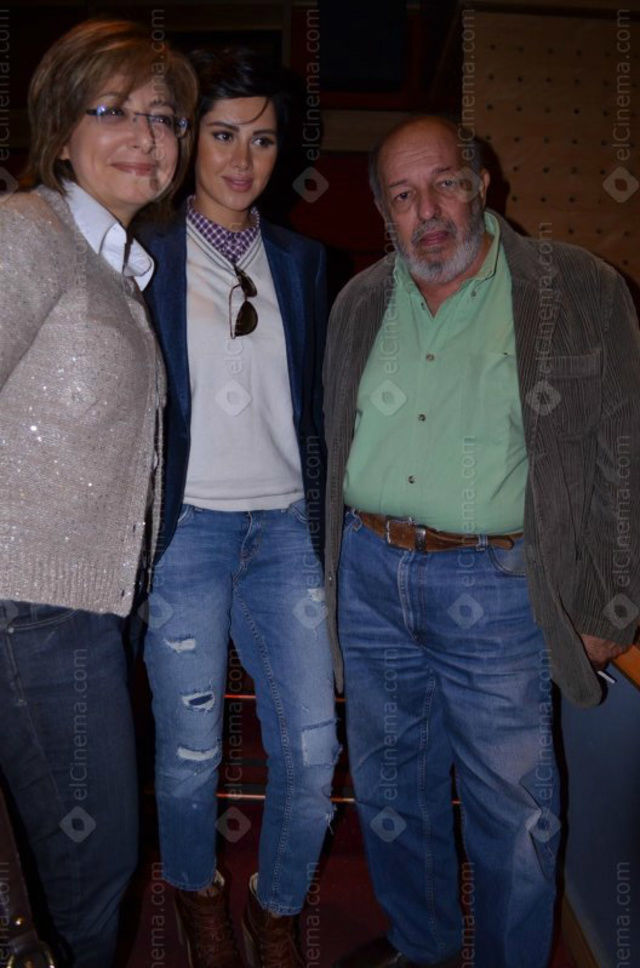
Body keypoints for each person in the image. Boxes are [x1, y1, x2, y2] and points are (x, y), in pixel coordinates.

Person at [323, 116, 640, 968]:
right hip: (370, 575)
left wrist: (612, 601)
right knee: (393, 792)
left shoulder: (576, 288)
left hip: (500, 587)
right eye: (402, 195)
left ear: (482, 184)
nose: (428, 211)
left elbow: (626, 453)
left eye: (445, 184)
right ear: (384, 212)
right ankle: (423, 946)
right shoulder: (358, 302)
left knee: (516, 816)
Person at [0, 19, 196, 967]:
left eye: (164, 117)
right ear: (61, 130)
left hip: (81, 611)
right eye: (112, 109)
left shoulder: (115, 269)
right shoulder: (27, 231)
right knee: (92, 869)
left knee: (70, 869)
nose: (146, 135)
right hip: (30, 609)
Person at [140, 47, 338, 968]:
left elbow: (312, 404)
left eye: (261, 139)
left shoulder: (301, 260)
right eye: (222, 135)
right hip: (189, 533)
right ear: (189, 140)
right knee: (190, 755)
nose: (242, 158)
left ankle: (276, 909)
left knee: (313, 749)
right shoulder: (144, 253)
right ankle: (198, 897)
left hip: (285, 530)